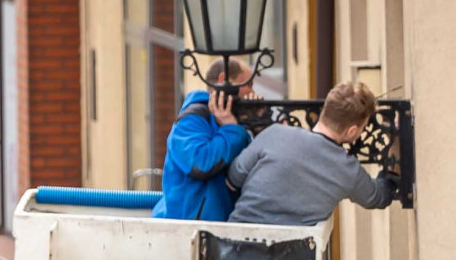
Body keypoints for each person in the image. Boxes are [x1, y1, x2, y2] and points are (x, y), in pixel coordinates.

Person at [227, 82, 396, 226]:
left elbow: (234, 178)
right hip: (290, 253)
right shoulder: (348, 170)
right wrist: (395, 147)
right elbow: (378, 197)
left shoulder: (274, 133)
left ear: (325, 111)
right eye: (363, 127)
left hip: (233, 245)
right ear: (351, 131)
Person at [151, 58, 257, 221]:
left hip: (223, 227)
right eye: (248, 84)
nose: (252, 92)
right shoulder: (192, 119)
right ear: (223, 80)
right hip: (187, 228)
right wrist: (232, 130)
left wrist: (258, 126)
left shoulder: (235, 122)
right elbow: (200, 163)